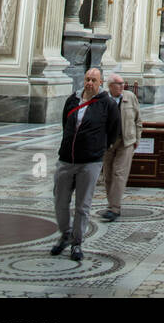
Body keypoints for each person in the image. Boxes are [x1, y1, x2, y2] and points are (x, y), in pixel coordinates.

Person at [50, 67, 120, 263]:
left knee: (83, 205)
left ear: (100, 83)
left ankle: (76, 243)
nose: (89, 83)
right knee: (60, 200)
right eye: (87, 79)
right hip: (66, 159)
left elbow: (114, 130)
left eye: (94, 80)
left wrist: (98, 149)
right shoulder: (72, 100)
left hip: (90, 161)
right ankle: (66, 234)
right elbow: (66, 124)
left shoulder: (107, 104)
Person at [100, 74, 141, 222]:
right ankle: (112, 205)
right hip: (108, 143)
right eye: (118, 84)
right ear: (110, 85)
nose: (122, 86)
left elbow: (138, 120)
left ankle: (114, 208)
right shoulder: (104, 100)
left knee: (119, 173)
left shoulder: (130, 97)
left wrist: (137, 138)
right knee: (108, 175)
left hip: (126, 142)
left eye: (123, 83)